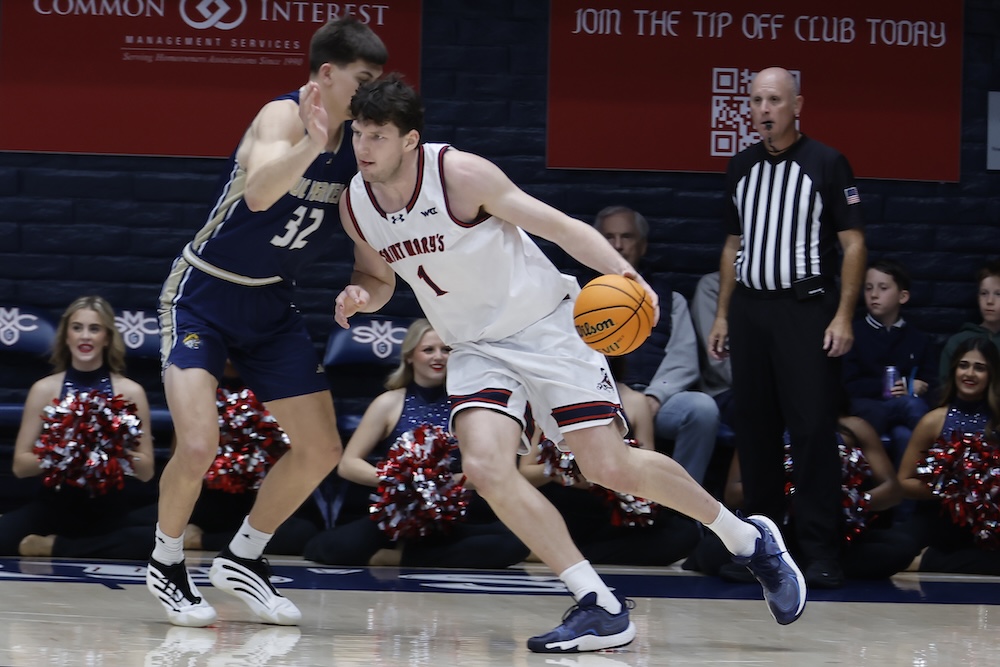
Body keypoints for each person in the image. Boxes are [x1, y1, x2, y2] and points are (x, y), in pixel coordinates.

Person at [335, 75, 806, 654]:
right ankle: (599, 604)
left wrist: (624, 275)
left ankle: (746, 539)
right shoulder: (355, 202)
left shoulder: (460, 175)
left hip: (545, 329)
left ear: (409, 140)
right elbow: (377, 276)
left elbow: (561, 229)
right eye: (358, 133)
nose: (363, 147)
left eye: (377, 135)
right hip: (475, 347)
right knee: (484, 468)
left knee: (610, 466)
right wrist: (360, 296)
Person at [147, 18, 387, 628]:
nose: (369, 96)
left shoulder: (361, 148)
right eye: (362, 81)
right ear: (327, 75)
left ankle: (244, 558)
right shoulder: (282, 117)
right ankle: (166, 562)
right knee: (200, 442)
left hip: (272, 303)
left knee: (321, 448)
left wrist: (365, 291)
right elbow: (257, 194)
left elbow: (372, 263)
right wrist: (312, 142)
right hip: (203, 292)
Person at [707, 67, 867, 589]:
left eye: (774, 99)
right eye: (756, 101)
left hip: (804, 311)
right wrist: (724, 314)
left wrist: (843, 315)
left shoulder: (826, 162)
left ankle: (820, 551)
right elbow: (733, 245)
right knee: (754, 431)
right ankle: (761, 549)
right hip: (751, 310)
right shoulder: (741, 166)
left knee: (812, 430)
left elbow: (854, 244)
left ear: (797, 104)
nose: (764, 109)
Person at [303, 319, 529, 568]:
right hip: (397, 513)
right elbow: (348, 464)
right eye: (428, 350)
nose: (439, 357)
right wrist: (400, 481)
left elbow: (485, 471)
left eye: (447, 350)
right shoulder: (389, 402)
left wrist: (439, 485)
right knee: (327, 548)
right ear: (410, 356)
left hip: (449, 515)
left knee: (515, 543)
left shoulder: (468, 408)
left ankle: (399, 557)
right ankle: (421, 554)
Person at [0, 296, 156, 558]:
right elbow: (20, 466)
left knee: (153, 542)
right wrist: (66, 452)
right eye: (77, 328)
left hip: (109, 512)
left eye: (94, 329)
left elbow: (147, 471)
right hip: (53, 507)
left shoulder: (131, 392)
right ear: (66, 336)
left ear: (107, 338)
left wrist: (109, 450)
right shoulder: (44, 389)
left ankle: (53, 547)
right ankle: (75, 547)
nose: (85, 336)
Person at [592, 206, 720, 484]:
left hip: (658, 401)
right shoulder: (577, 294)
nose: (617, 245)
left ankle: (685, 507)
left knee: (702, 409)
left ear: (643, 245)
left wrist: (654, 397)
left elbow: (683, 359)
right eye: (608, 237)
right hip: (597, 401)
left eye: (626, 236)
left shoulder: (669, 298)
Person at [896, 337, 1000, 575]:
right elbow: (903, 482)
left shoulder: (997, 423)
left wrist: (985, 490)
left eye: (980, 367)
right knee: (896, 549)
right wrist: (955, 490)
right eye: (964, 365)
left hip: (986, 524)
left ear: (992, 374)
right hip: (939, 517)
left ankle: (928, 562)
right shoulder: (933, 420)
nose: (970, 373)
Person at [842, 258, 935, 466]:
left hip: (902, 418)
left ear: (903, 296)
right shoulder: (853, 333)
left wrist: (917, 387)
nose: (874, 295)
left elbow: (933, 383)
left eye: (883, 288)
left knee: (905, 436)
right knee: (908, 405)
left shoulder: (918, 339)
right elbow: (847, 385)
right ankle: (942, 451)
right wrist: (894, 386)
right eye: (868, 288)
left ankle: (906, 495)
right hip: (868, 410)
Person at [938, 259, 1000, 383]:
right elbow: (945, 386)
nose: (989, 301)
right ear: (977, 298)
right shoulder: (959, 341)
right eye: (984, 293)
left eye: (998, 294)